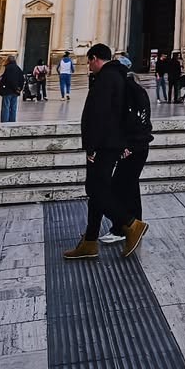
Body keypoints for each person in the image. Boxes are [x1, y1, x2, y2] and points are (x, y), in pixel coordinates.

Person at [63, 43, 147, 262]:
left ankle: (130, 224)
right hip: (111, 142)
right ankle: (90, 241)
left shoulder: (106, 79)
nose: (89, 66)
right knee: (96, 190)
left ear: (94, 58)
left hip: (103, 144)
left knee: (95, 189)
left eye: (89, 62)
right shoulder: (118, 76)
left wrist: (91, 146)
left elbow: (98, 116)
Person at [101, 54, 154, 246]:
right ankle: (134, 225)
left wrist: (128, 145)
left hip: (133, 147)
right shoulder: (136, 89)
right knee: (130, 187)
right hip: (139, 146)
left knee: (118, 188)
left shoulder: (128, 90)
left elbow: (133, 120)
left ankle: (123, 228)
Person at [0, 55, 25, 123]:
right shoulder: (18, 68)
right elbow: (22, 79)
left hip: (7, 90)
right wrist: (19, 89)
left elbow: (5, 79)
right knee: (13, 107)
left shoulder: (8, 68)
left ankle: (4, 121)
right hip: (15, 91)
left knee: (6, 106)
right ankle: (12, 121)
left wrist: (1, 88)